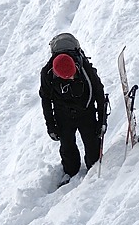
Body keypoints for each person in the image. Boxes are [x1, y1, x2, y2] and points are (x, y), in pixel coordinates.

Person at [39, 33, 108, 185]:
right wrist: (51, 125)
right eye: (67, 77)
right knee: (67, 146)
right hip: (62, 114)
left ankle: (93, 169)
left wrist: (102, 120)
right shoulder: (47, 74)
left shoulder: (84, 68)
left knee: (92, 148)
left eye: (73, 75)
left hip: (85, 111)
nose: (72, 78)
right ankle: (70, 172)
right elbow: (45, 100)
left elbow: (98, 91)